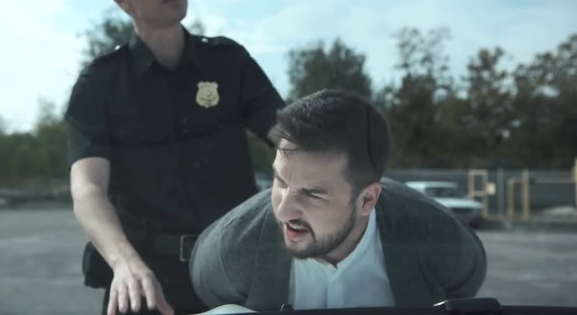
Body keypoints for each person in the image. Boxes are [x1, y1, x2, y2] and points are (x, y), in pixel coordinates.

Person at [65, 0, 284, 314]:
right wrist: (124, 264)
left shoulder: (229, 62)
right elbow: (87, 188)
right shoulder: (100, 84)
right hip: (146, 279)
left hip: (236, 267)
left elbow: (290, 140)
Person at [189, 89, 487, 311]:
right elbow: (210, 289)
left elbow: (462, 286)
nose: (282, 210)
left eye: (312, 193)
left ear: (367, 200)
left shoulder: (441, 241)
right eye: (280, 181)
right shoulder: (232, 249)